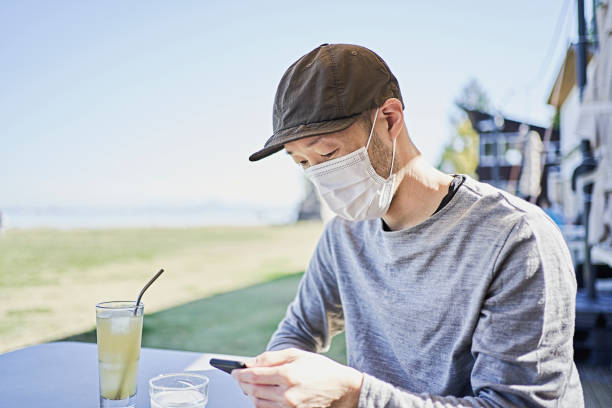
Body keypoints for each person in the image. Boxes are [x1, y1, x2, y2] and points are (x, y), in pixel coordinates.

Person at [233, 43, 584, 407]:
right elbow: (300, 330)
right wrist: (276, 379)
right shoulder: (344, 235)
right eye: (303, 163)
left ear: (389, 119)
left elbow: (515, 404)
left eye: (326, 154)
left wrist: (356, 396)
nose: (319, 176)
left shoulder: (515, 237)